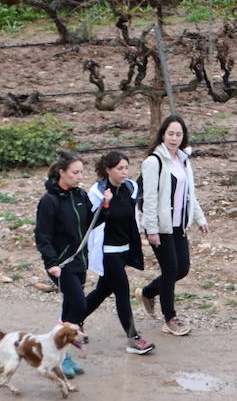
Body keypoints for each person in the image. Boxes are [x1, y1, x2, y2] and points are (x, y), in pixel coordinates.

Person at [138, 115, 208, 337]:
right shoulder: (154, 162)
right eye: (170, 133)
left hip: (179, 225)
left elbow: (189, 195)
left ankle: (148, 292)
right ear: (163, 135)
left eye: (178, 134)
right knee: (170, 270)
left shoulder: (184, 160)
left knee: (182, 268)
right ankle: (170, 318)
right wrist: (151, 229)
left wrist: (200, 218)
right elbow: (149, 198)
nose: (174, 138)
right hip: (161, 226)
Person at [80, 151, 155, 355]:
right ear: (108, 170)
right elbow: (89, 223)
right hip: (107, 251)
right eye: (119, 168)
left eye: (126, 168)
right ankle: (133, 338)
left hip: (124, 249)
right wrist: (105, 204)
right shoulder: (97, 193)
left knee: (103, 290)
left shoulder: (130, 188)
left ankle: (72, 320)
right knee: (123, 290)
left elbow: (133, 217)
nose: (124, 172)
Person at [33, 149, 94, 378]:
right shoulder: (49, 201)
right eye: (75, 172)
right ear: (62, 172)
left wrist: (106, 206)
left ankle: (62, 356)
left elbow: (91, 222)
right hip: (61, 265)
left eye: (81, 172)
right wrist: (51, 262)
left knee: (70, 308)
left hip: (80, 261)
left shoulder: (80, 196)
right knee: (78, 306)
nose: (80, 177)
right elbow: (42, 236)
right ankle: (58, 352)